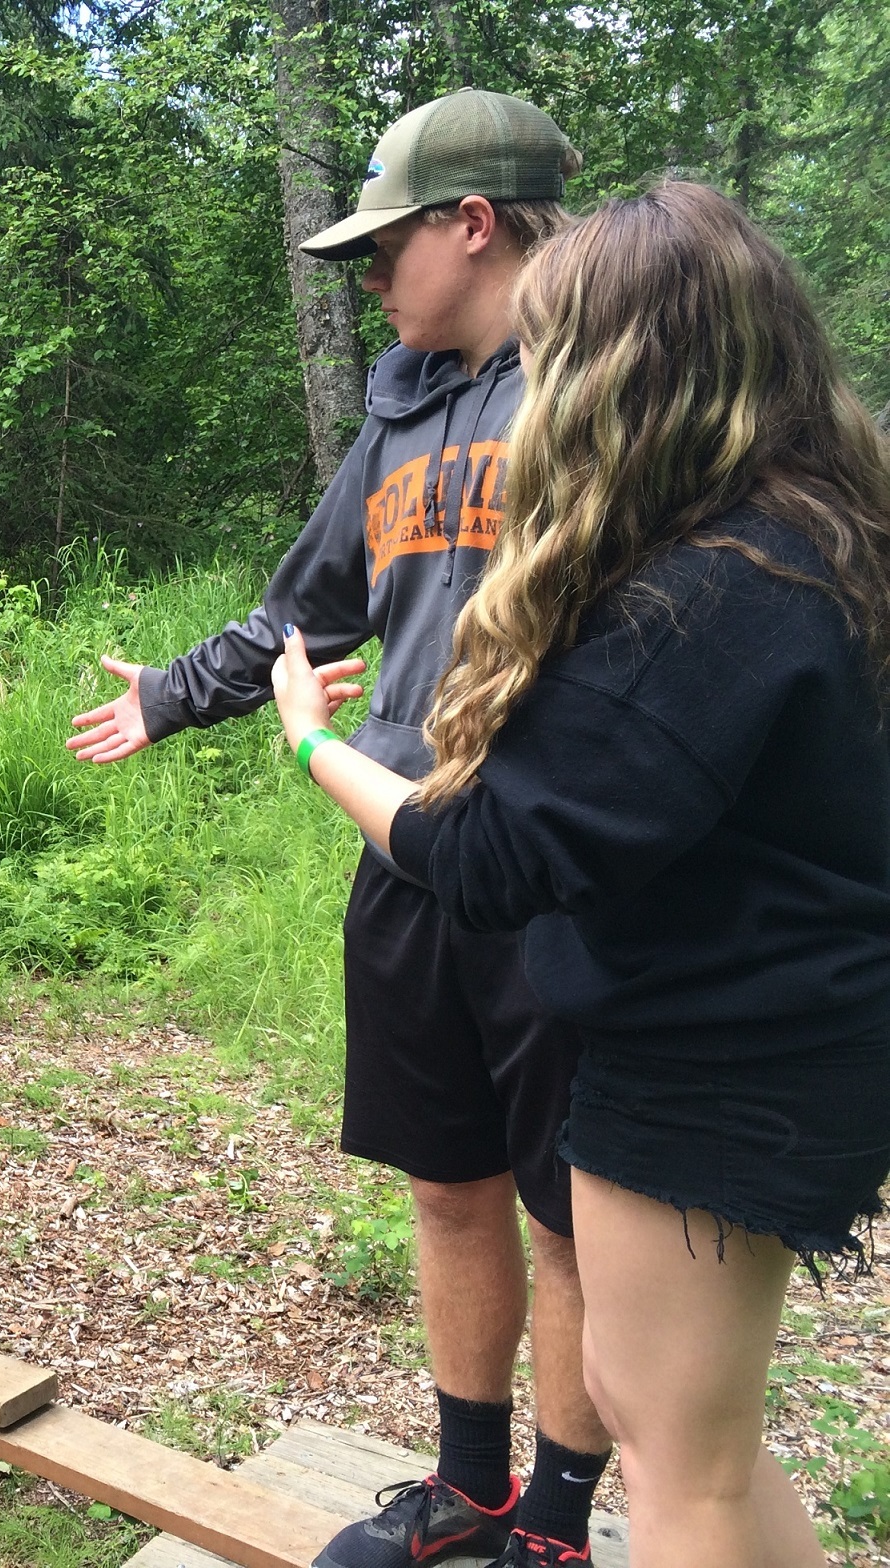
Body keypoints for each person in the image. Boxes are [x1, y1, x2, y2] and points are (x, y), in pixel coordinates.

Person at [271, 181, 890, 1568]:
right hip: (757, 1033)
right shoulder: (811, 537)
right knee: (672, 1421)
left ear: (626, 363)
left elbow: (490, 854)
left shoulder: (711, 589)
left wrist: (314, 743)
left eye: (551, 350)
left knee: (685, 1481)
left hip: (719, 1063)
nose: (529, 385)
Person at [70, 90, 614, 1568]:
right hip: (396, 833)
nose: (370, 282)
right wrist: (176, 695)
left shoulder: (604, 394)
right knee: (448, 1179)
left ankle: (557, 1531)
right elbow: (305, 607)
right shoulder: (403, 407)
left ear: (472, 223)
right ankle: (470, 1491)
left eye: (385, 249)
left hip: (548, 867)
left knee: (569, 1218)